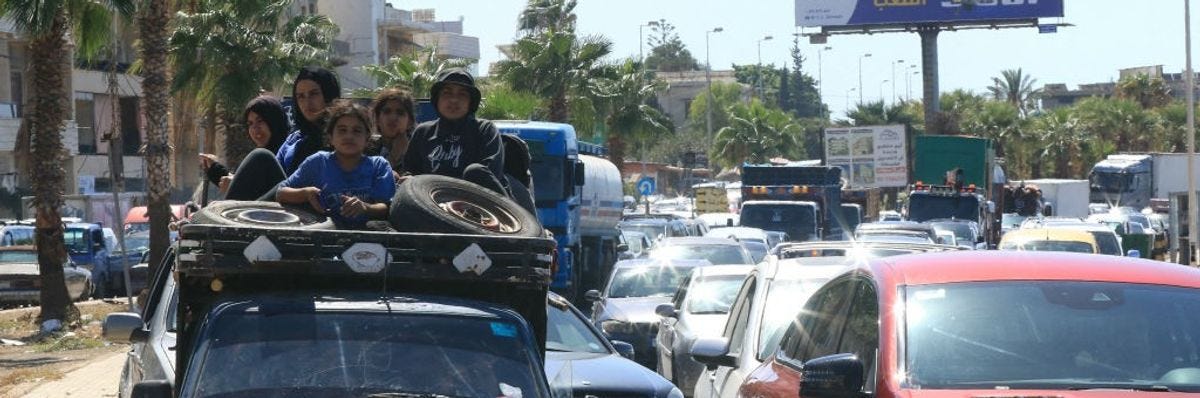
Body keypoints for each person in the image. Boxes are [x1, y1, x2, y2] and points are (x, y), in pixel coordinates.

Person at [277, 101, 394, 229]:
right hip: (325, 236)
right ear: (330, 137)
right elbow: (281, 193)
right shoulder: (318, 162)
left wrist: (365, 207)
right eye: (342, 130)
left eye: (357, 131)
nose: (349, 136)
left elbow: (385, 207)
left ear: (367, 138)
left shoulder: (379, 166)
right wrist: (305, 193)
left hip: (366, 240)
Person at [404, 68, 509, 196]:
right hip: (432, 205)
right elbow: (410, 173)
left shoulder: (485, 130)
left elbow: (489, 177)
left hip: (482, 205)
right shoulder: (423, 132)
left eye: (462, 94)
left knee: (474, 171)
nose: (454, 100)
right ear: (437, 99)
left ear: (471, 102)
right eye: (447, 93)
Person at [199, 95, 290, 200]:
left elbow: (279, 193)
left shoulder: (289, 154)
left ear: (274, 121)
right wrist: (216, 171)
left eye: (260, 121)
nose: (255, 128)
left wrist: (235, 187)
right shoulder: (260, 158)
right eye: (250, 123)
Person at [277, 66, 341, 176]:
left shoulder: (344, 134)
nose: (307, 103)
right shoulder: (294, 139)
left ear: (328, 95)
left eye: (314, 94)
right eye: (301, 96)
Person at [369, 88, 416, 177]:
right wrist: (394, 155)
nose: (393, 117)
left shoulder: (419, 150)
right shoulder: (367, 149)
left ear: (410, 122)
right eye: (387, 112)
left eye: (400, 113)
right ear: (377, 119)